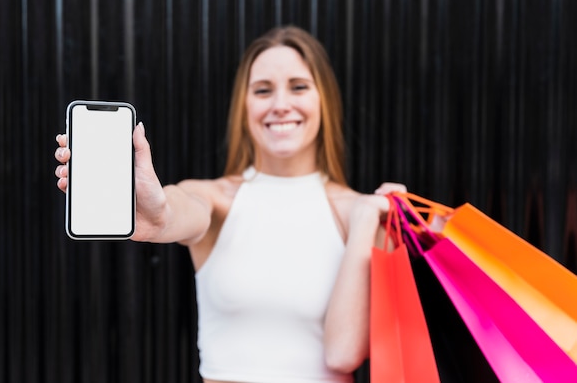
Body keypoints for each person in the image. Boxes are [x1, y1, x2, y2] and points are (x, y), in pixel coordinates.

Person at [55, 25, 405, 383]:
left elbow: (344, 354)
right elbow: (179, 209)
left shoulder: (363, 216)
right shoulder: (216, 200)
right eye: (263, 90)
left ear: (324, 99)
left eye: (299, 86)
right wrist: (159, 216)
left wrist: (366, 222)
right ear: (244, 106)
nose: (280, 104)